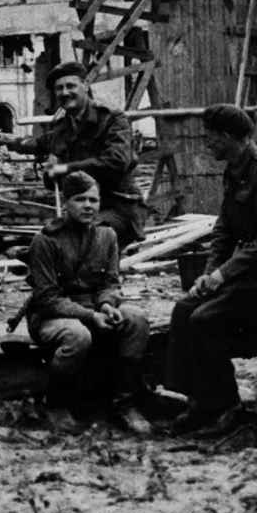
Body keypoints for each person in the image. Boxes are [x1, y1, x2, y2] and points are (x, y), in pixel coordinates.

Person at [166, 104, 257, 436]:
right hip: (253, 264)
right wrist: (208, 274)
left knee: (206, 318)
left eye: (210, 137)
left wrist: (223, 275)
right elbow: (224, 229)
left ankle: (227, 407)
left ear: (228, 137)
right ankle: (200, 400)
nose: (206, 144)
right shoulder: (234, 169)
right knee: (185, 309)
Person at [25, 170, 151, 435]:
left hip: (95, 309)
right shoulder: (45, 241)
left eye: (93, 200)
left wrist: (106, 305)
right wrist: (91, 315)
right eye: (80, 199)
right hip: (51, 315)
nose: (88, 206)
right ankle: (57, 405)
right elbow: (47, 299)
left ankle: (125, 403)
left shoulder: (107, 237)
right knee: (77, 335)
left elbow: (111, 283)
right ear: (66, 203)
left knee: (136, 318)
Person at [0, 61, 145, 247]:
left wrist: (63, 168)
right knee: (46, 242)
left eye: (70, 86)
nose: (65, 93)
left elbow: (116, 162)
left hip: (119, 207)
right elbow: (40, 153)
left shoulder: (111, 119)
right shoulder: (62, 129)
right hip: (82, 210)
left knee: (84, 239)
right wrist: (48, 168)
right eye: (59, 88)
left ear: (85, 86)